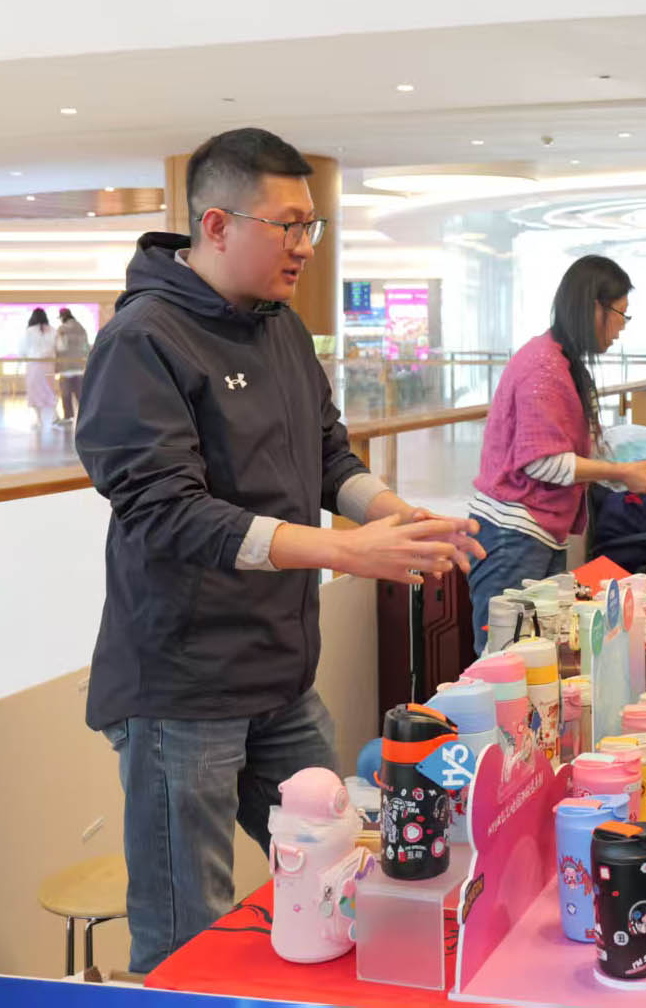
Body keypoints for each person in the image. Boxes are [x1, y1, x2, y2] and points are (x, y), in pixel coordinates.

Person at [76, 127, 485, 973]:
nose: (305, 245)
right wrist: (344, 554)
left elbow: (328, 456)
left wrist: (394, 515)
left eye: (312, 226)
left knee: (341, 876)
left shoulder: (281, 329)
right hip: (184, 685)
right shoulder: (144, 339)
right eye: (288, 226)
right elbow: (169, 513)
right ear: (217, 225)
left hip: (280, 673)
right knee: (188, 935)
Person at [466, 255, 646, 651]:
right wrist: (621, 472)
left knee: (536, 657)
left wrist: (623, 465)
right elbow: (543, 462)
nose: (622, 327)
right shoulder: (544, 366)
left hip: (534, 534)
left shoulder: (560, 360)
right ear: (594, 308)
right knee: (505, 662)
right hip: (512, 535)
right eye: (621, 314)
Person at [53, 307, 90, 424]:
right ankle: (86, 417)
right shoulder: (81, 328)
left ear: (62, 318)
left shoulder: (62, 329)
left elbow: (60, 347)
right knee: (81, 395)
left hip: (66, 367)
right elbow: (86, 348)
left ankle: (69, 417)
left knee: (66, 395)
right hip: (79, 366)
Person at [21, 307, 56, 427]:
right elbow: (56, 346)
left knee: (35, 391)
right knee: (49, 390)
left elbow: (22, 350)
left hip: (34, 365)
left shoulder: (29, 331)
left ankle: (39, 418)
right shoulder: (52, 330)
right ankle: (54, 416)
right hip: (49, 364)